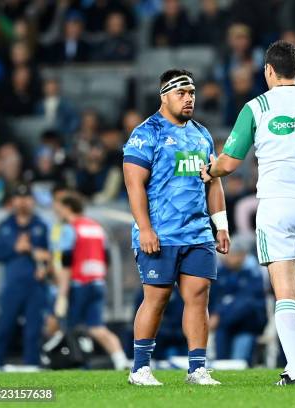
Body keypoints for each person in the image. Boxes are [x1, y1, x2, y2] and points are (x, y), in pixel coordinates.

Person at [200, 40, 295, 385]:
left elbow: (231, 161)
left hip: (276, 205)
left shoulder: (256, 107)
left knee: (284, 291)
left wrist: (210, 170)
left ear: (269, 70)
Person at [123, 69, 230, 386]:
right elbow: (133, 184)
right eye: (182, 93)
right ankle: (140, 368)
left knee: (199, 296)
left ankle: (197, 368)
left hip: (197, 233)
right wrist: (145, 228)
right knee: (156, 298)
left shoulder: (202, 134)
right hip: (160, 233)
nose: (189, 99)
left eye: (192, 93)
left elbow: (213, 183)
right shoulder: (147, 132)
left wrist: (220, 226)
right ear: (164, 96)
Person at [52, 193, 128, 370]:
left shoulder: (70, 229)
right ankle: (120, 359)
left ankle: (77, 362)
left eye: (59, 208)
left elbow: (66, 262)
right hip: (97, 282)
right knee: (96, 327)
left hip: (79, 284)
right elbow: (106, 258)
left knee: (71, 327)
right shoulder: (96, 227)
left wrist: (62, 294)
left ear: (67, 208)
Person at [0, 184, 50, 366]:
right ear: (13, 201)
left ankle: (31, 364)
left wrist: (42, 264)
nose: (23, 202)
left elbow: (50, 255)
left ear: (32, 201)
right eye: (19, 198)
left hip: (36, 285)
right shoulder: (5, 225)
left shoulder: (41, 225)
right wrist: (15, 248)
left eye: (26, 198)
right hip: (13, 285)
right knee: (4, 326)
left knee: (33, 328)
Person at [210, 236, 267, 366]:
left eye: (233, 255)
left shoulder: (253, 273)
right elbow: (215, 298)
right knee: (221, 363)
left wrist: (219, 315)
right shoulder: (221, 272)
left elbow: (246, 303)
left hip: (247, 325)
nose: (228, 258)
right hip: (223, 327)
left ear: (242, 255)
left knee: (239, 362)